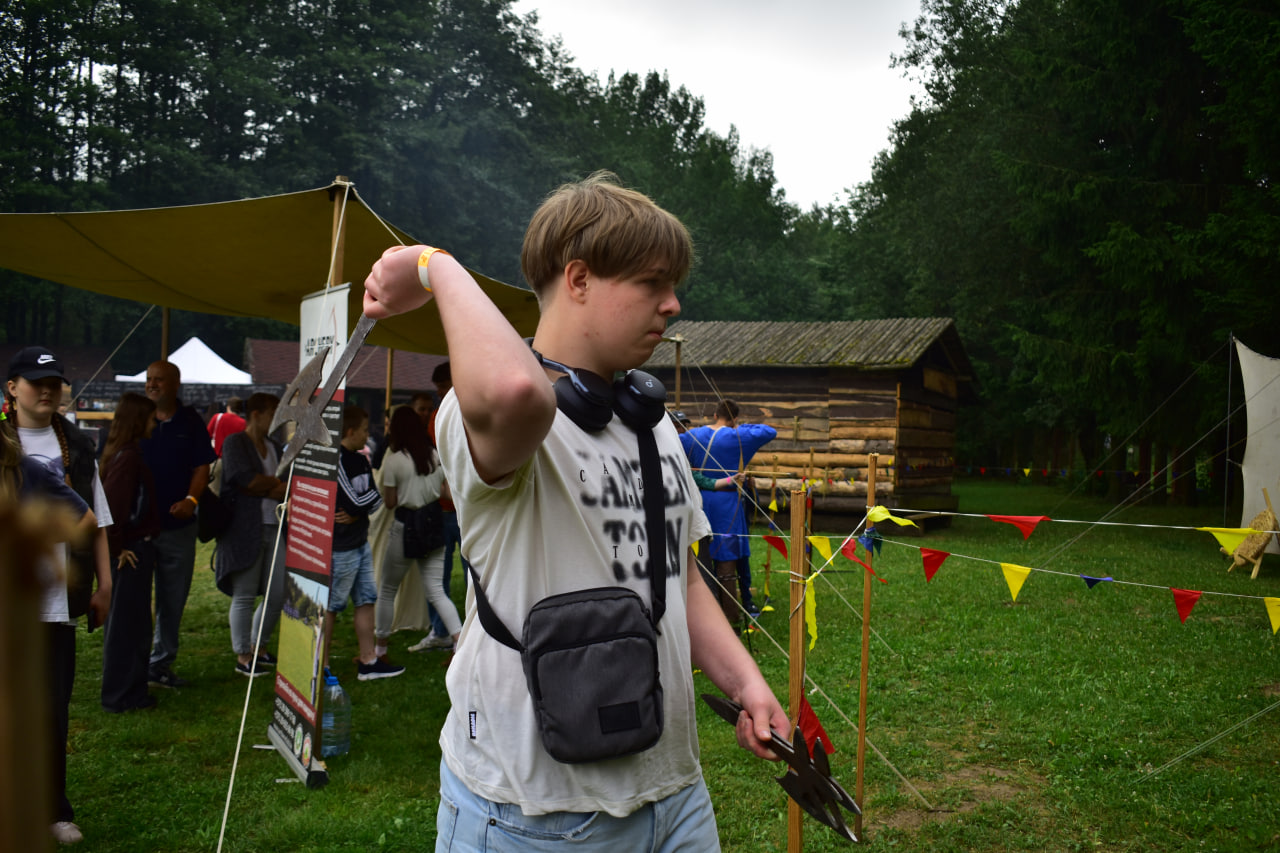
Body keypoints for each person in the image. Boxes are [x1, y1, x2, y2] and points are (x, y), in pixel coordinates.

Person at [362, 171, 786, 850]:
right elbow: (515, 387)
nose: (673, 304)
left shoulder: (654, 425)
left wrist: (746, 680)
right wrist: (433, 264)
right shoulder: (485, 415)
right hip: (537, 814)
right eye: (652, 283)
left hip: (675, 795)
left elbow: (678, 575)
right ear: (579, 278)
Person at [5, 345, 113, 847]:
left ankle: (52, 806)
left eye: (53, 382)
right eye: (34, 381)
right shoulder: (4, 445)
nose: (46, 389)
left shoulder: (75, 445)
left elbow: (95, 519)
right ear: (12, 388)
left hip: (54, 601)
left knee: (52, 706)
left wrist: (102, 582)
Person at [140, 360, 216, 688]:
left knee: (173, 599)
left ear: (175, 385)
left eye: (159, 380)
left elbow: (203, 467)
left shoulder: (191, 421)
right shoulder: (137, 417)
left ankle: (160, 664)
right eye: (149, 379)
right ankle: (133, 663)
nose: (152, 385)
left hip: (177, 527)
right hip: (138, 529)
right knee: (135, 599)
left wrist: (192, 501)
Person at [324, 405, 405, 681]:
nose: (367, 435)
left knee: (366, 599)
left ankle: (368, 661)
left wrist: (357, 509)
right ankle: (319, 666)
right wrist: (360, 506)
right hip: (340, 548)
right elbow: (355, 499)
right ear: (349, 431)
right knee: (332, 606)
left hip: (360, 542)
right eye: (363, 430)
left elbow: (375, 499)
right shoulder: (335, 461)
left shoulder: (360, 460)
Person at [679, 399, 776, 623]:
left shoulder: (693, 435)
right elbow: (769, 431)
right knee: (727, 555)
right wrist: (738, 427)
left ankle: (705, 613)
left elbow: (674, 443)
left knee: (701, 551)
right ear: (735, 419)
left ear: (714, 415)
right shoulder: (738, 435)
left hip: (700, 498)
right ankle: (729, 615)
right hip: (726, 502)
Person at [374, 405, 457, 661]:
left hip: (406, 526)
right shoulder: (433, 455)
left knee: (387, 589)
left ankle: (380, 649)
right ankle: (459, 642)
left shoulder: (394, 461)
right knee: (436, 589)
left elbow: (389, 502)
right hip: (434, 523)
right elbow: (446, 493)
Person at [214, 392, 288, 677]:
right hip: (244, 527)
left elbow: (283, 482)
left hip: (274, 523)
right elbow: (242, 478)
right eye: (272, 413)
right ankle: (243, 654)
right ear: (257, 413)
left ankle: (260, 646)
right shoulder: (236, 443)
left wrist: (262, 486)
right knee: (244, 593)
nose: (276, 419)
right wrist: (270, 486)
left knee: (277, 591)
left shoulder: (275, 446)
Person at [99, 392, 162, 713]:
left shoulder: (126, 453)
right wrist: (118, 548)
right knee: (126, 626)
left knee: (136, 624)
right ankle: (119, 695)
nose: (155, 422)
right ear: (139, 419)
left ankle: (133, 690)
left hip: (136, 549)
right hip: (132, 552)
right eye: (151, 417)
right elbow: (110, 509)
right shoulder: (127, 458)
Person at [408, 363, 470, 652]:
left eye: (444, 387)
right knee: (438, 576)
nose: (441, 393)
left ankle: (474, 632)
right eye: (438, 389)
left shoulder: (472, 410)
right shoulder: (437, 416)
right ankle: (441, 631)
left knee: (475, 574)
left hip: (467, 507)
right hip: (444, 508)